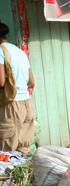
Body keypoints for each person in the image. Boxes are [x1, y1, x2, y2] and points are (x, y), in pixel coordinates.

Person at [0, 22, 35, 153]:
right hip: (26, 104)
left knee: (6, 150)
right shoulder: (20, 52)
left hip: (12, 106)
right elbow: (32, 82)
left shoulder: (0, 51)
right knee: (23, 149)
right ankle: (26, 174)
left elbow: (1, 82)